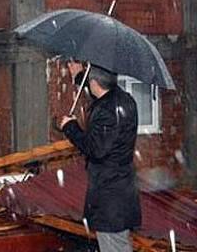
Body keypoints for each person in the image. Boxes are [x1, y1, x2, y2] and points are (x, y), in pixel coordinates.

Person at [58, 62, 141, 252]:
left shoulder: (106, 112)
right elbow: (99, 87)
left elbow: (95, 149)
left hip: (110, 195)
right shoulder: (124, 99)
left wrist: (70, 127)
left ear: (94, 82)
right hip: (122, 188)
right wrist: (80, 77)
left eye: (88, 79)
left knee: (113, 246)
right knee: (120, 243)